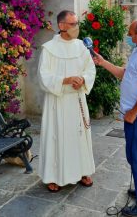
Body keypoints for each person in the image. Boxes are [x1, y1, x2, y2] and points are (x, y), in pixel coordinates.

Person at [93, 19, 137, 217]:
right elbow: (125, 74)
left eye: (131, 33)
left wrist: (133, 111)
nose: (128, 36)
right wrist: (102, 62)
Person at [37, 10, 96, 192]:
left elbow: (90, 69)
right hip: (58, 101)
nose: (76, 27)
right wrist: (65, 80)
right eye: (72, 24)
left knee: (80, 137)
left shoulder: (81, 47)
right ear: (61, 26)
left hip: (76, 100)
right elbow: (43, 76)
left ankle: (83, 171)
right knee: (57, 138)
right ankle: (53, 176)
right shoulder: (48, 49)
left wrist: (83, 80)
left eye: (77, 23)